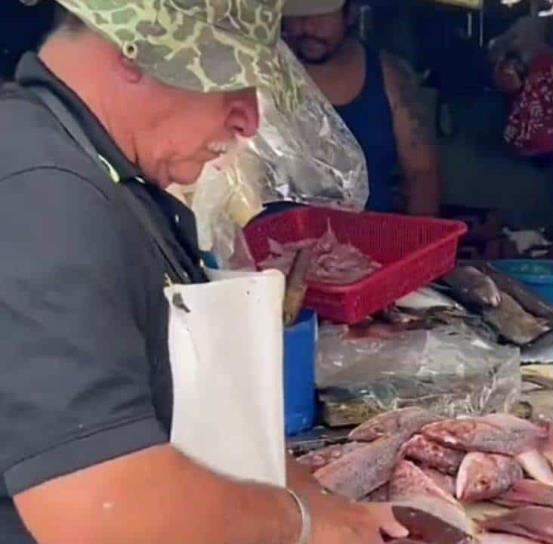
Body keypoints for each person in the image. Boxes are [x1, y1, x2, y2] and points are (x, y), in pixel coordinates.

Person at [0, 2, 405, 543]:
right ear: (136, 50)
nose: (249, 119)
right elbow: (101, 506)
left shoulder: (111, 178)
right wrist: (302, 525)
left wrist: (319, 502)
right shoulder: (40, 189)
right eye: (230, 81)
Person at [282, 0, 441, 215]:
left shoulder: (390, 77)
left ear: (351, 13)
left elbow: (422, 173)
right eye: (298, 16)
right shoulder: (256, 71)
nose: (308, 27)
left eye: (322, 16)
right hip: (271, 238)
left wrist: (420, 240)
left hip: (365, 240)